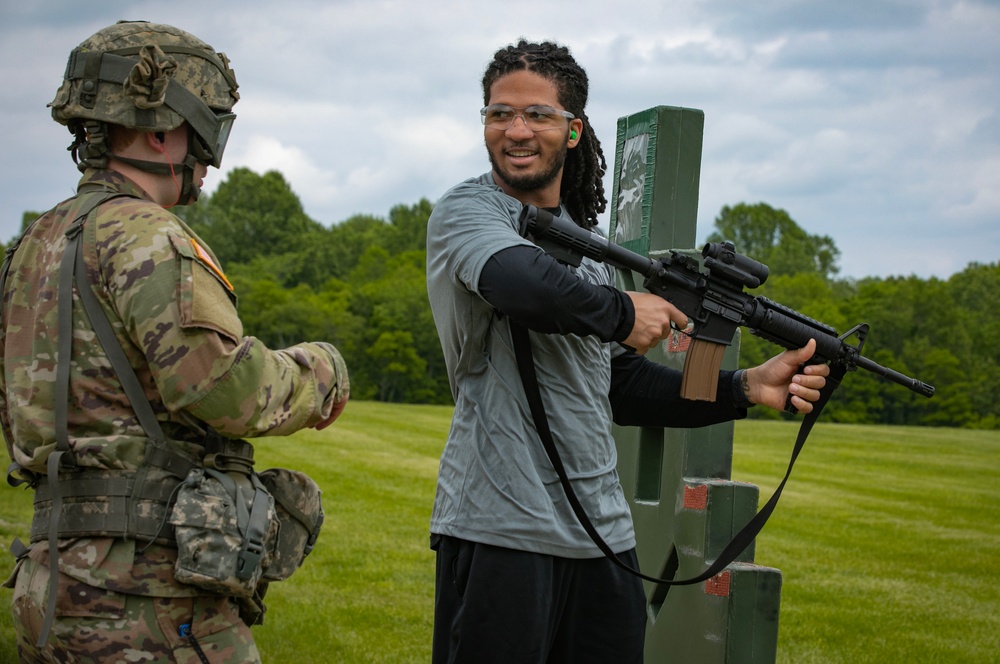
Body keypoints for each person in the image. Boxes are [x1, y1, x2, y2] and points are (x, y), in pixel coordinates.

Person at [425, 39, 830, 663]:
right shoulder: (470, 211)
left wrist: (745, 387)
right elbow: (519, 283)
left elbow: (618, 386)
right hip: (499, 529)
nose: (516, 130)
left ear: (574, 130)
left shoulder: (590, 252)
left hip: (604, 538)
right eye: (498, 113)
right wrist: (621, 313)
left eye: (537, 114)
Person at [0, 21, 349, 663]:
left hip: (51, 585)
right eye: (206, 124)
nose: (211, 148)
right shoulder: (149, 237)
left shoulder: (34, 245)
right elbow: (224, 390)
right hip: (146, 599)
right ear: (163, 131)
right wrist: (321, 371)